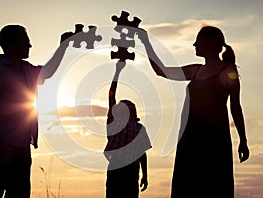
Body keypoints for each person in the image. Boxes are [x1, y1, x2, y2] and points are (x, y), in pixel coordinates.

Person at [138, 26, 250, 197]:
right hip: (189, 139)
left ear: (211, 42)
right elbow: (162, 71)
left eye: (198, 40)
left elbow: (235, 106)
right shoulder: (195, 70)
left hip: (214, 141)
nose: (194, 44)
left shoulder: (228, 70)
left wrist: (243, 140)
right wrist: (145, 42)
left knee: (213, 185)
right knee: (187, 185)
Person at [0, 25, 74, 198]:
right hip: (0, 146)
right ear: (11, 44)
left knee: (19, 193)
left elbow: (48, 71)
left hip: (22, 146)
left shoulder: (28, 69)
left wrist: (63, 47)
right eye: (25, 41)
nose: (29, 45)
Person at [104, 61, 152, 198]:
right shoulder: (120, 124)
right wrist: (117, 72)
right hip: (126, 169)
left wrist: (145, 175)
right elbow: (142, 154)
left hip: (124, 169)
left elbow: (142, 154)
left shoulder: (133, 127)